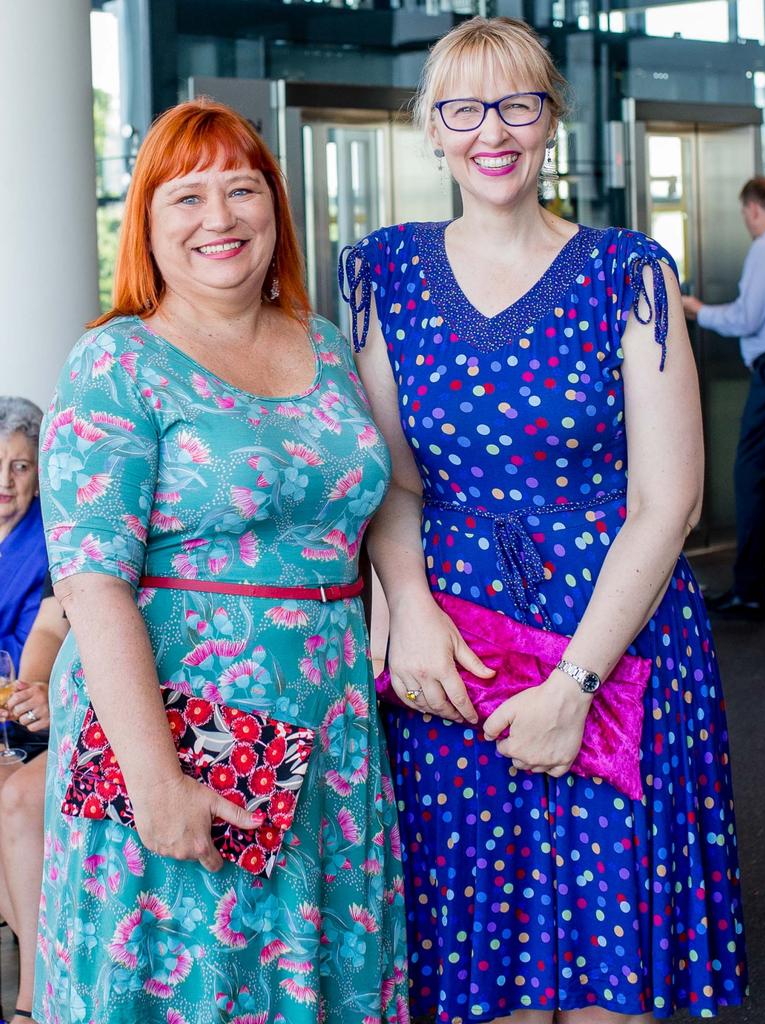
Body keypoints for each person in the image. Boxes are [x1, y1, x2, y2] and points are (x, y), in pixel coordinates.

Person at [340, 16, 747, 1024]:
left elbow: (669, 502)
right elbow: (388, 477)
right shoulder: (381, 270)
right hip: (456, 655)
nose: (493, 130)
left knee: (615, 981)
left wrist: (576, 681)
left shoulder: (629, 271)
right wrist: (411, 606)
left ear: (550, 121)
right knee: (483, 976)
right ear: (432, 129)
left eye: (518, 103)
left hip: (615, 644)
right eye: (463, 107)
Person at [35, 99, 407, 1024]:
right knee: (191, 976)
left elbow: (380, 504)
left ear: (275, 208)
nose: (221, 217)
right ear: (146, 227)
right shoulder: (114, 362)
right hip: (179, 725)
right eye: (186, 197)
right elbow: (92, 583)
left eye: (243, 189)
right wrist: (159, 784)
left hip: (329, 728)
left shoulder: (326, 344)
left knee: (317, 975)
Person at [682, 177, 765, 621]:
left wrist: (697, 310)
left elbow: (746, 318)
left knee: (750, 477)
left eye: (745, 214)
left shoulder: (764, 247)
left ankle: (751, 589)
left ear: (754, 209)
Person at [0, 575, 68, 1024]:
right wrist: (32, 688)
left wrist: (58, 699)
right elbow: (49, 627)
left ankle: (31, 1002)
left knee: (21, 795)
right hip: (59, 716)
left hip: (101, 713)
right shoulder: (71, 546)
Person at [0, 398, 48, 672]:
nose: (4, 480)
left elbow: (23, 652)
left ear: (38, 476)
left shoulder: (47, 547)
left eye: (20, 467)